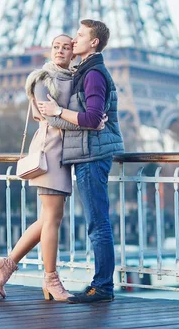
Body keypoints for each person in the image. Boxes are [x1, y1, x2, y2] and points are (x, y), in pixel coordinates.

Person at [0, 34, 105, 301]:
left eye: (66, 46)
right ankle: (51, 279)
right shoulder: (42, 78)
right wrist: (90, 123)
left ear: (73, 52)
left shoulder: (73, 77)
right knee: (52, 219)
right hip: (50, 151)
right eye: (56, 46)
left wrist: (87, 119)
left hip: (65, 153)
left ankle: (8, 263)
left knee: (48, 219)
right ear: (50, 50)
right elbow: (48, 116)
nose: (61, 50)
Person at [38, 19, 124, 303]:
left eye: (79, 35)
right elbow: (91, 118)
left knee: (97, 223)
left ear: (94, 42)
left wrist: (59, 111)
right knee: (97, 222)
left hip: (92, 156)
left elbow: (91, 118)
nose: (74, 40)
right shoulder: (83, 71)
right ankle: (101, 284)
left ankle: (102, 287)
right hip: (86, 154)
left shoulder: (94, 73)